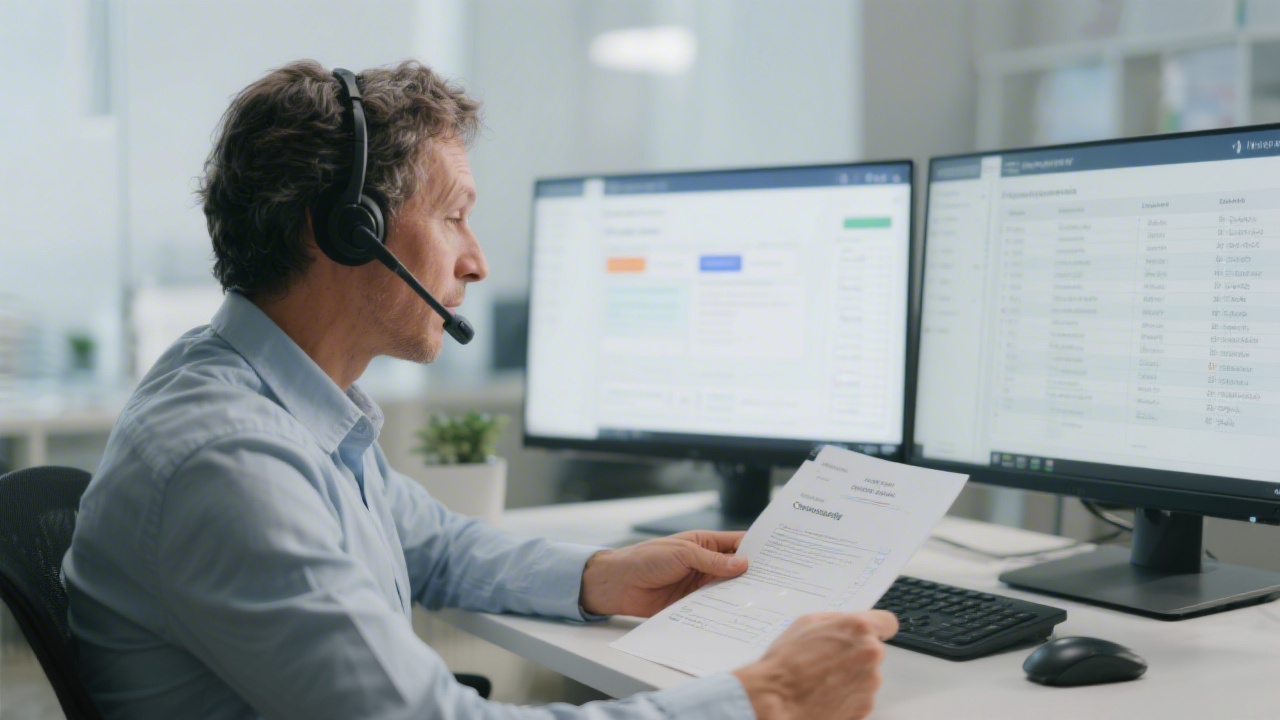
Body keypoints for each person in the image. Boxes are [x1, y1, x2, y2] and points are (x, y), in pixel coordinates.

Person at [64, 60, 897, 720]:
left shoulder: (275, 399)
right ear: (347, 231)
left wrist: (604, 574)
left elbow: (432, 545)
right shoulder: (229, 461)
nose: (478, 260)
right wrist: (770, 698)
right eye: (454, 215)